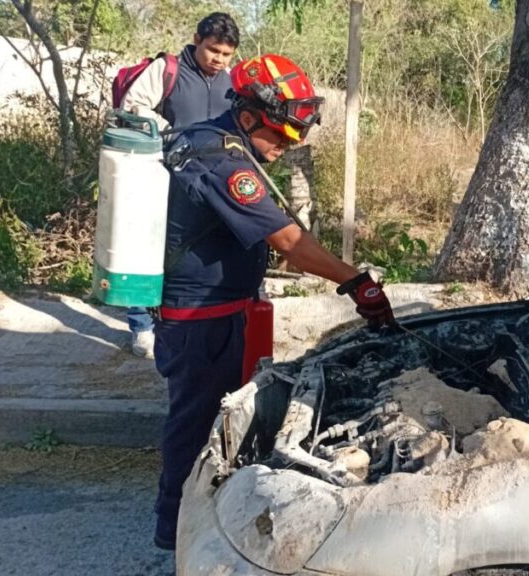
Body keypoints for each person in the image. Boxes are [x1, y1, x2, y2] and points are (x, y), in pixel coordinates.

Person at [151, 53, 394, 551]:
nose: (290, 145)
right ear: (246, 117)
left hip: (217, 312)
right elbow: (290, 243)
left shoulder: (212, 140)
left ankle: (200, 515)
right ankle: (174, 533)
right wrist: (356, 282)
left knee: (215, 421)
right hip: (202, 320)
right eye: (281, 136)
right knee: (196, 425)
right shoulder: (223, 162)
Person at [119, 11, 240, 358]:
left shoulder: (229, 82)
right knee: (148, 249)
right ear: (197, 40)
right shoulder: (167, 69)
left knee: (185, 251)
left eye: (226, 54)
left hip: (204, 183)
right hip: (159, 175)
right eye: (213, 50)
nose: (218, 60)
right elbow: (133, 106)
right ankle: (141, 326)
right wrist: (172, 134)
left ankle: (174, 317)